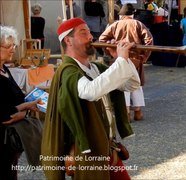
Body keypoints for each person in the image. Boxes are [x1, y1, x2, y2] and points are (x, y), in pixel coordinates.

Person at [41, 18, 140, 179]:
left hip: (108, 147)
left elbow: (132, 85)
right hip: (88, 151)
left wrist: (121, 59)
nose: (90, 37)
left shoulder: (97, 68)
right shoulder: (68, 71)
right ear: (68, 40)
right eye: (83, 33)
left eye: (89, 32)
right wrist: (120, 61)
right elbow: (90, 91)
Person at [99, 3, 153, 121]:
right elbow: (149, 41)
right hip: (135, 58)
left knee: (123, 84)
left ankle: (126, 112)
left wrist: (110, 51)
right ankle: (138, 112)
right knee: (136, 85)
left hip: (120, 57)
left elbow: (102, 39)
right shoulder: (138, 24)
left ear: (121, 15)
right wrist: (144, 57)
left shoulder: (115, 25)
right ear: (132, 14)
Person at [0, 26, 41, 180]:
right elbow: (4, 114)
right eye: (8, 46)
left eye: (14, 46)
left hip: (9, 141)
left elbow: (14, 97)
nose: (12, 50)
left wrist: (25, 107)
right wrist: (23, 108)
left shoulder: (4, 69)